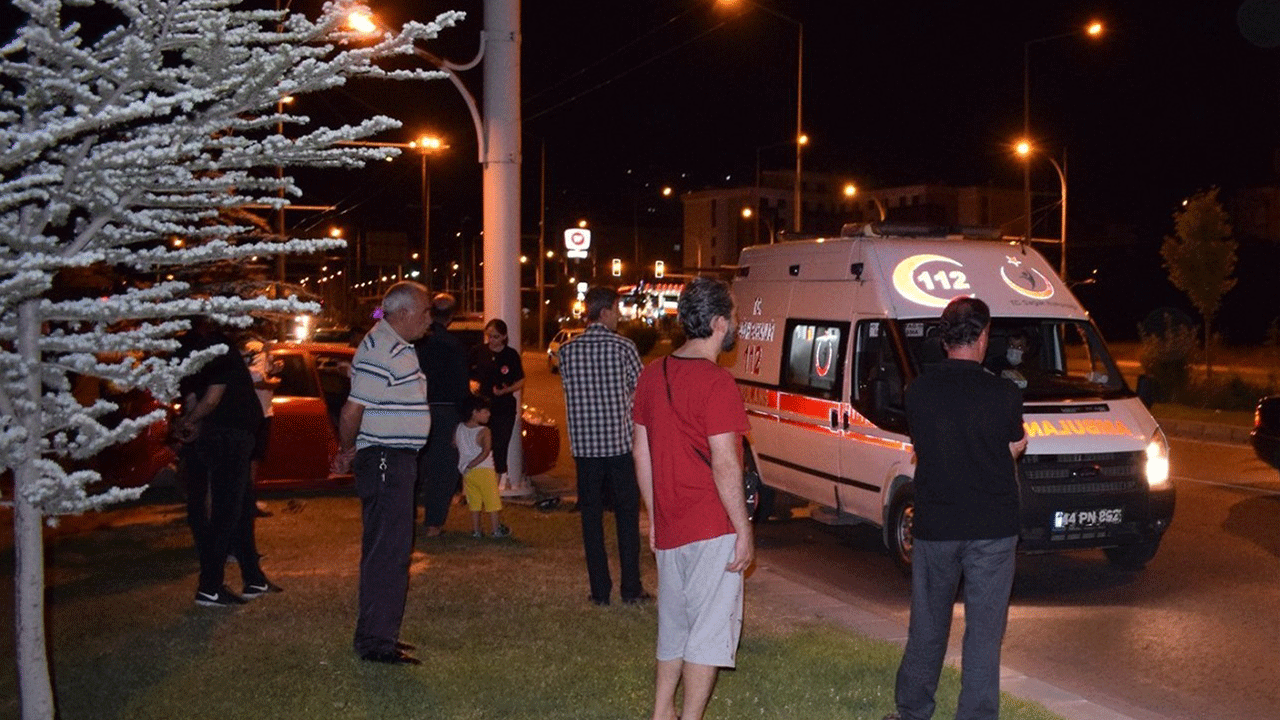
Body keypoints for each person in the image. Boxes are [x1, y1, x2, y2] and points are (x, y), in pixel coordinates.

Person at [885, 296, 1028, 720]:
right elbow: (1011, 445)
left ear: (945, 339)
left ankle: (912, 711)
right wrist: (1009, 451)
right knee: (984, 633)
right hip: (993, 526)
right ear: (983, 337)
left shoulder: (918, 391)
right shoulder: (1004, 393)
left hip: (938, 523)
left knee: (928, 624)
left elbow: (927, 446)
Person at [632, 277, 753, 720]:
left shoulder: (652, 374)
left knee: (675, 627)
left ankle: (662, 711)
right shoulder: (718, 383)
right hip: (711, 525)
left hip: (672, 525)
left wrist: (656, 516)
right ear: (719, 323)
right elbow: (725, 463)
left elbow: (640, 451)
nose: (737, 323)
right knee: (708, 631)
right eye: (734, 315)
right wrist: (743, 530)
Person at [332, 282, 433, 665]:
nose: (428, 320)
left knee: (388, 548)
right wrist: (347, 450)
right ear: (404, 313)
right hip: (388, 459)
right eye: (424, 312)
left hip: (393, 458)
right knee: (388, 550)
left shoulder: (389, 344)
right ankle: (377, 641)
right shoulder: (384, 349)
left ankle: (379, 633)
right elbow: (351, 411)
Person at [175, 317, 280, 607]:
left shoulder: (193, 352)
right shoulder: (217, 347)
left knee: (242, 509)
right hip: (229, 438)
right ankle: (209, 586)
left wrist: (189, 422)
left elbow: (194, 398)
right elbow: (211, 398)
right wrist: (192, 420)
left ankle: (253, 578)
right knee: (226, 513)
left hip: (223, 436)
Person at [558, 287, 647, 606]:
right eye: (618, 309)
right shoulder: (624, 348)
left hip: (585, 449)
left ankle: (600, 592)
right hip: (620, 446)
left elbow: (570, 392)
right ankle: (631, 588)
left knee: (591, 519)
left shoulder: (567, 351)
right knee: (626, 517)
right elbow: (640, 394)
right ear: (605, 311)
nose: (620, 315)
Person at [415, 293, 470, 538]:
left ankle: (406, 518)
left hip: (416, 408)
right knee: (443, 469)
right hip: (445, 411)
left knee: (414, 465)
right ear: (452, 317)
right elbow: (461, 386)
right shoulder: (453, 345)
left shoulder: (417, 342)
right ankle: (434, 524)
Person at [468, 318, 524, 493]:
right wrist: (471, 384)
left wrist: (505, 391)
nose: (491, 340)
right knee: (482, 443)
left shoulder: (511, 355)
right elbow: (468, 372)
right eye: (489, 336)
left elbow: (520, 380)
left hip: (504, 407)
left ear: (504, 336)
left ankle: (499, 480)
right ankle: (478, 482)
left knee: (500, 444)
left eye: (496, 337)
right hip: (483, 407)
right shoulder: (478, 352)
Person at [455, 393, 511, 539]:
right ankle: (496, 529)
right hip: (484, 470)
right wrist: (473, 463)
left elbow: (454, 444)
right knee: (492, 501)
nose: (489, 414)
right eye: (485, 411)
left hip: (467, 473)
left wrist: (466, 464)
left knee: (474, 502)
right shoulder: (484, 431)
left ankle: (476, 530)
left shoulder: (459, 428)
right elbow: (486, 452)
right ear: (475, 412)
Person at [241, 335, 280, 518]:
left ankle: (243, 501)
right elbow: (255, 377)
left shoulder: (243, 347)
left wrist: (272, 369)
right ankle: (248, 504)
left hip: (247, 410)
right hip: (260, 410)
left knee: (247, 460)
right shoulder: (257, 347)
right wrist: (272, 383)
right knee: (253, 461)